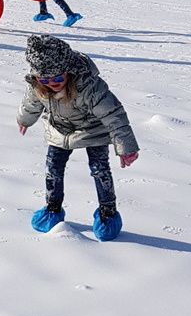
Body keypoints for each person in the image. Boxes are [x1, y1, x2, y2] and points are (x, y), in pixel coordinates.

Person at [18, 34, 138, 239]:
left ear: (68, 71)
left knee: (99, 169)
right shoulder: (39, 85)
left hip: (93, 129)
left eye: (57, 78)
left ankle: (107, 214)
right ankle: (52, 208)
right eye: (45, 79)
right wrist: (25, 119)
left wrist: (125, 147)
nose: (52, 84)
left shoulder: (88, 86)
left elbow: (114, 114)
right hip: (59, 129)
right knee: (53, 168)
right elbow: (32, 103)